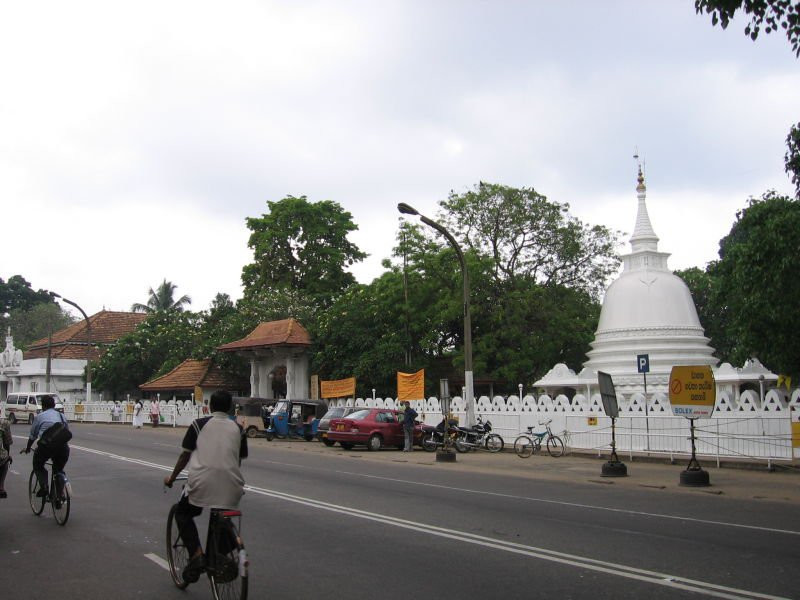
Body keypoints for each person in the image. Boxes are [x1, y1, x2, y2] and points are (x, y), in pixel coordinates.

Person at [164, 390, 248, 584]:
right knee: (223, 515)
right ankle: (218, 554)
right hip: (232, 485)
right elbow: (238, 459)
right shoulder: (239, 429)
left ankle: (197, 555)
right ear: (229, 408)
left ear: (210, 406)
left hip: (201, 483)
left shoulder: (198, 425)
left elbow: (185, 455)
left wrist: (172, 477)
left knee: (182, 513)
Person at [21, 395, 70, 499]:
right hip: (63, 448)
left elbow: (32, 436)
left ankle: (44, 486)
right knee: (58, 469)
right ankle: (60, 494)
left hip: (46, 447)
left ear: (43, 406)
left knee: (37, 464)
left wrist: (28, 448)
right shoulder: (61, 416)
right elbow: (66, 432)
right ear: (54, 405)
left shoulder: (40, 417)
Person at [0, 415, 12, 498]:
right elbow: (7, 443)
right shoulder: (4, 424)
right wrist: (8, 455)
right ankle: (1, 487)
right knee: (5, 459)